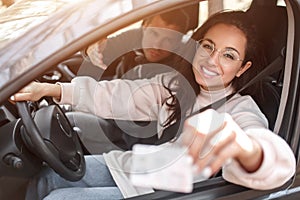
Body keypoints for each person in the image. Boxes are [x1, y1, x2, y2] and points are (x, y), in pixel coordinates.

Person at [11, 11, 296, 200]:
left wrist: (247, 149)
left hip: (171, 190)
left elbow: (275, 161)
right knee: (47, 178)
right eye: (207, 46)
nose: (211, 60)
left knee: (59, 199)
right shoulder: (175, 86)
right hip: (147, 165)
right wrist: (52, 89)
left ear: (243, 68)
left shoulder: (240, 109)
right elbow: (117, 95)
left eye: (228, 56)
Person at [80, 8, 194, 80]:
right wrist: (92, 47)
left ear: (178, 42)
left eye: (168, 40)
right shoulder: (135, 37)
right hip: (116, 86)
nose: (156, 46)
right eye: (154, 33)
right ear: (144, 27)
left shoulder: (178, 67)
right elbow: (103, 49)